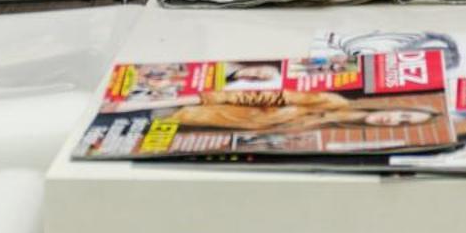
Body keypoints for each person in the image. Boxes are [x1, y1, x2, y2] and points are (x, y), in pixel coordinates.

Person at [166, 86, 439, 134]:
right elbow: (275, 96)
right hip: (193, 106)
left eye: (404, 123)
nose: (394, 120)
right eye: (403, 114)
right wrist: (213, 97)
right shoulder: (331, 103)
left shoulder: (335, 129)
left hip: (193, 125)